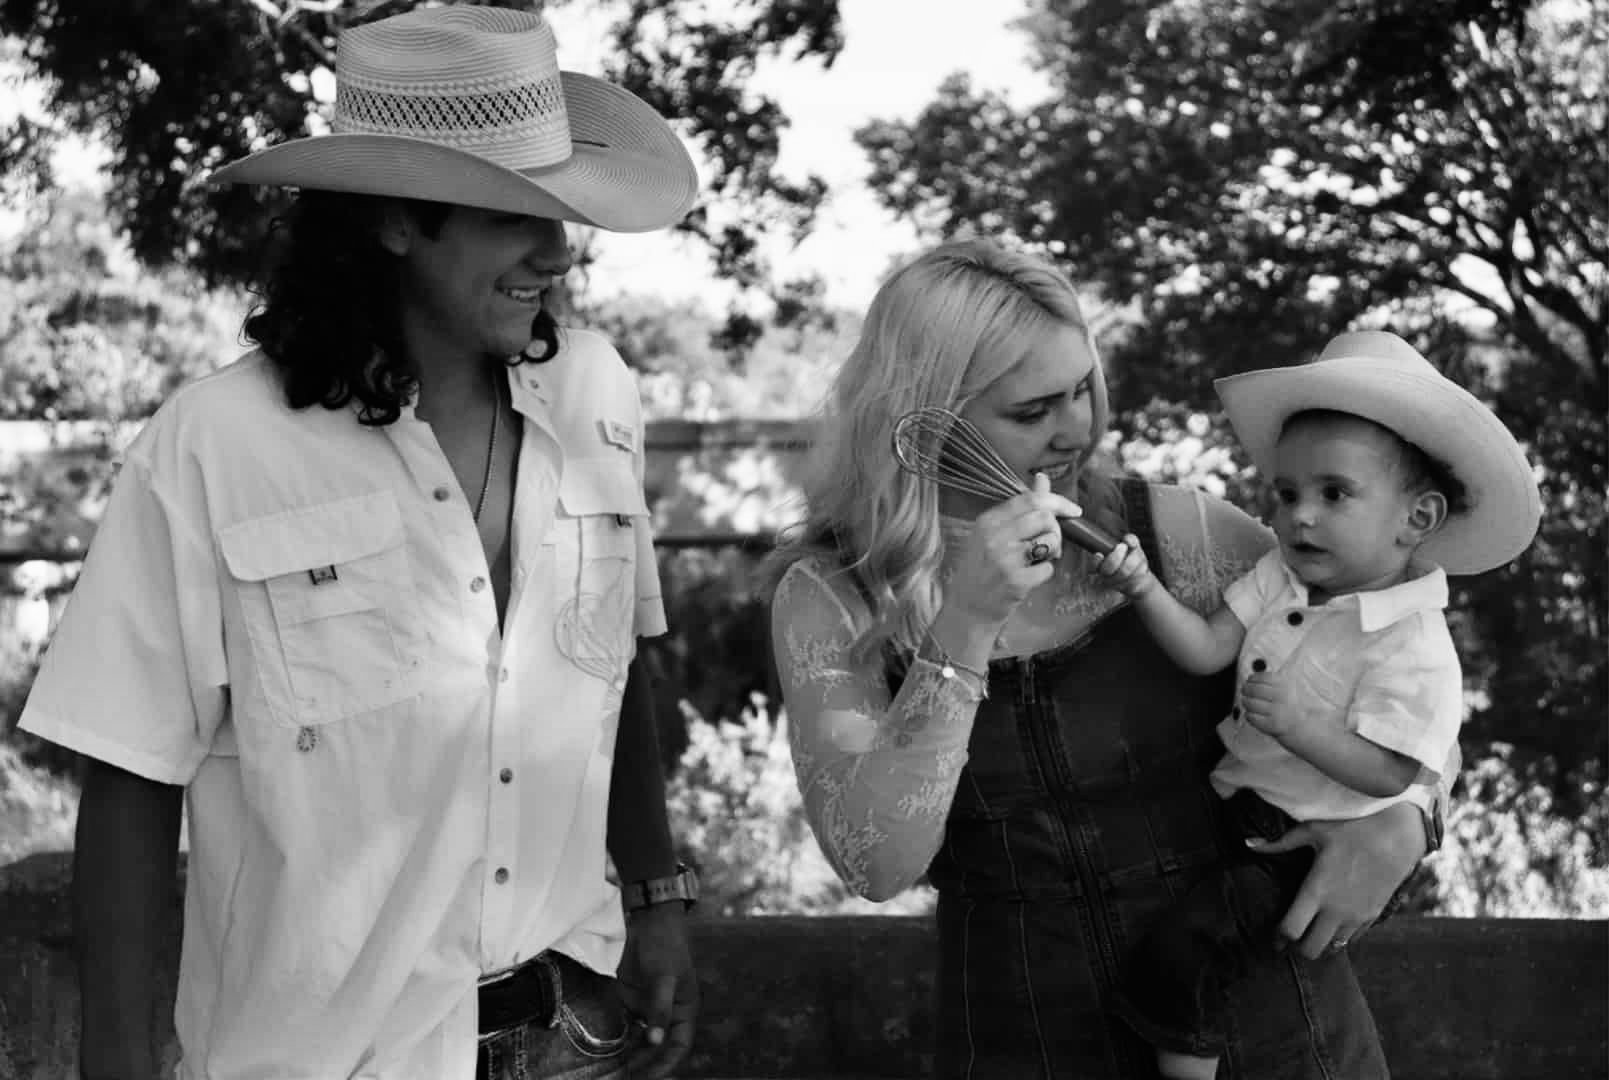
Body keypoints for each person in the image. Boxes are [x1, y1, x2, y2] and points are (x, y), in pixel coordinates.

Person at [17, 5, 702, 1079]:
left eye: (558, 211)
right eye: (511, 214)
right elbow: (129, 780)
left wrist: (655, 895)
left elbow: (614, 661)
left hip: (571, 1036)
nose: (557, 251)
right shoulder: (213, 450)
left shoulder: (596, 397)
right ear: (392, 221)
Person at [769, 239, 1460, 1078]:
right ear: (922, 418)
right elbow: (874, 863)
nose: (1078, 430)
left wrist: (1407, 823)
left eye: (1083, 390)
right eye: (1031, 412)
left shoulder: (1180, 535)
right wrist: (965, 623)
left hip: (1270, 1025)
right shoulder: (832, 596)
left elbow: (1405, 682)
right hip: (1023, 1036)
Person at [1088, 331, 1540, 1079]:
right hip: (1241, 817)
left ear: (1415, 520)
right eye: (1287, 494)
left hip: (1319, 845)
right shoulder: (1277, 577)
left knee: (1189, 950)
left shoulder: (1411, 644)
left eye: (1334, 494)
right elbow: (1204, 648)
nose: (1299, 516)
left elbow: (1394, 774)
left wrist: (1299, 727)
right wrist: (1142, 589)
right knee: (1194, 936)